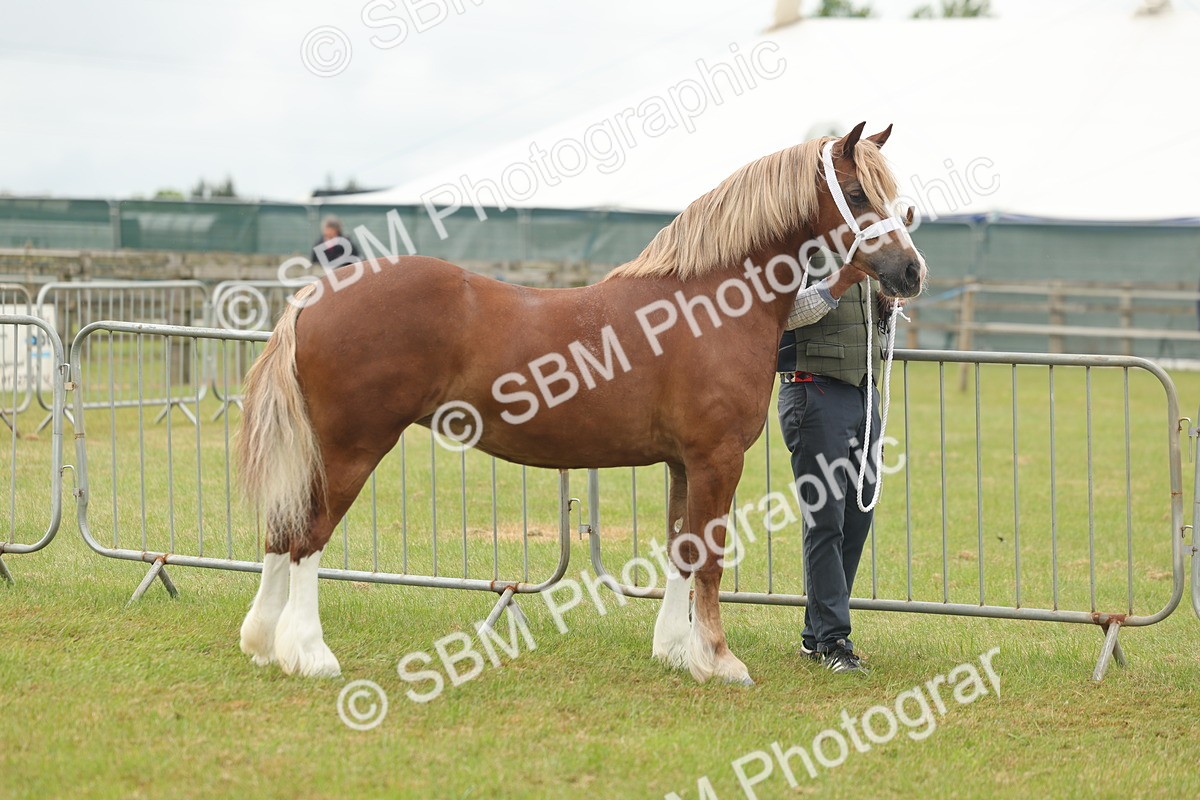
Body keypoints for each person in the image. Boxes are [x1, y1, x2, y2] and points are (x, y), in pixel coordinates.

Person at [777, 258, 895, 675]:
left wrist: (887, 299)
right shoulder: (803, 249)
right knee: (825, 521)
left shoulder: (871, 247)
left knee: (858, 514)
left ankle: (817, 632)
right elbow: (787, 312)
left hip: (861, 396)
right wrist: (842, 280)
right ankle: (833, 641)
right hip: (814, 392)